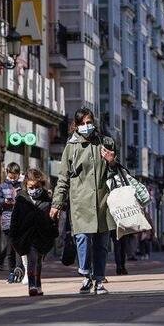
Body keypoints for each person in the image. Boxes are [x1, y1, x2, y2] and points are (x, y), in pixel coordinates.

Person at [51, 108, 118, 295]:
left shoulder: (105, 143)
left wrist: (111, 161)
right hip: (80, 202)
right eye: (82, 123)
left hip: (103, 200)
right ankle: (86, 275)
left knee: (101, 243)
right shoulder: (71, 147)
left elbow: (116, 173)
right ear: (76, 125)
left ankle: (99, 280)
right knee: (82, 238)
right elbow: (63, 178)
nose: (86, 126)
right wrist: (56, 204)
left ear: (94, 122)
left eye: (89, 122)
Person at [10, 168, 58, 296]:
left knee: (38, 260)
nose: (33, 189)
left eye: (36, 186)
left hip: (42, 235)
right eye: (30, 187)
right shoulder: (21, 199)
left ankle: (38, 283)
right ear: (26, 185)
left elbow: (53, 219)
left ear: (41, 185)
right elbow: (15, 218)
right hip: (27, 235)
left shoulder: (47, 199)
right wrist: (13, 234)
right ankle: (32, 285)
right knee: (32, 258)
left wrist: (53, 231)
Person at [0, 162, 24, 282]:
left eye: (15, 176)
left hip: (20, 220)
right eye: (11, 176)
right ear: (7, 173)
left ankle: (19, 270)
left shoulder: (22, 186)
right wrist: (4, 201)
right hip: (7, 219)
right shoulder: (2, 186)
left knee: (19, 248)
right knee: (10, 248)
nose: (13, 178)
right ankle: (12, 272)